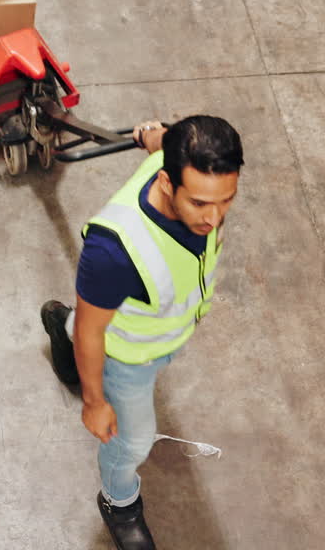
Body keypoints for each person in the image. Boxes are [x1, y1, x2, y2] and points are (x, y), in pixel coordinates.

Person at [40, 115, 244, 550]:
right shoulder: (114, 251)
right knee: (131, 442)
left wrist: (147, 134)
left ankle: (63, 327)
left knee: (92, 320)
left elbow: (161, 138)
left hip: (160, 334)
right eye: (200, 204)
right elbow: (96, 334)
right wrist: (94, 403)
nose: (214, 217)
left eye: (226, 200)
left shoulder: (176, 157)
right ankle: (118, 501)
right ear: (168, 183)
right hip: (128, 357)